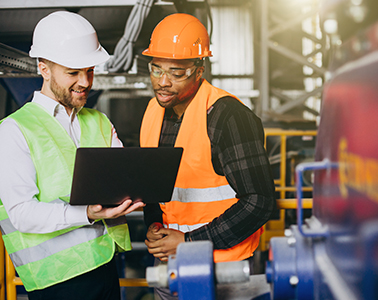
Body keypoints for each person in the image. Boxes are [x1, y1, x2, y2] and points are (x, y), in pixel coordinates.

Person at [0, 11, 144, 300]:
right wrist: (87, 213)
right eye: (73, 72)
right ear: (44, 69)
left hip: (105, 265)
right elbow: (21, 214)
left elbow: (124, 180)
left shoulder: (99, 121)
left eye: (89, 70)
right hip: (56, 280)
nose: (85, 82)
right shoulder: (14, 130)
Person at [140, 13, 277, 299]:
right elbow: (155, 188)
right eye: (156, 69)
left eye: (176, 73)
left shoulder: (228, 118)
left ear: (199, 69)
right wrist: (154, 225)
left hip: (224, 269)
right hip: (169, 264)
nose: (163, 82)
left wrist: (189, 242)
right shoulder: (153, 111)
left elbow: (260, 201)